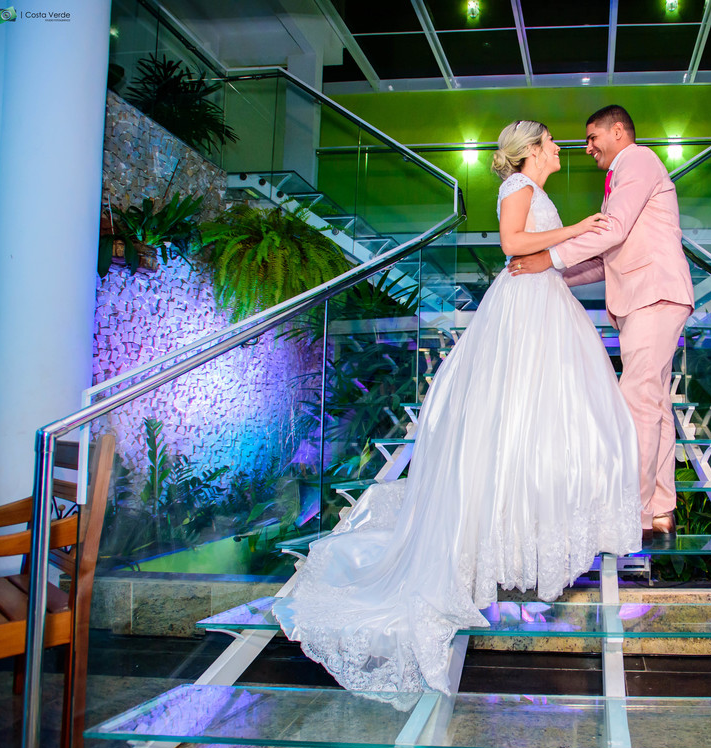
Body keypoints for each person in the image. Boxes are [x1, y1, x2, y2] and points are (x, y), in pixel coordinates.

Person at [272, 120, 642, 696]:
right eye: (550, 142)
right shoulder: (518, 186)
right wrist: (575, 229)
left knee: (550, 420)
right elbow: (512, 243)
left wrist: (562, 248)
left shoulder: (536, 190)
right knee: (513, 415)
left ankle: (529, 531)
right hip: (523, 310)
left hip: (545, 304)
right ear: (531, 151)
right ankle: (501, 539)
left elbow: (540, 252)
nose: (559, 148)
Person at [509, 105, 695, 539]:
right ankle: (660, 509)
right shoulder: (621, 177)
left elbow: (612, 231)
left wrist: (549, 259)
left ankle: (634, 514)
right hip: (647, 297)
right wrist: (553, 275)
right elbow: (607, 257)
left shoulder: (638, 160)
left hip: (654, 294)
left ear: (618, 131)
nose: (587, 147)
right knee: (655, 406)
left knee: (635, 404)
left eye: (592, 137)